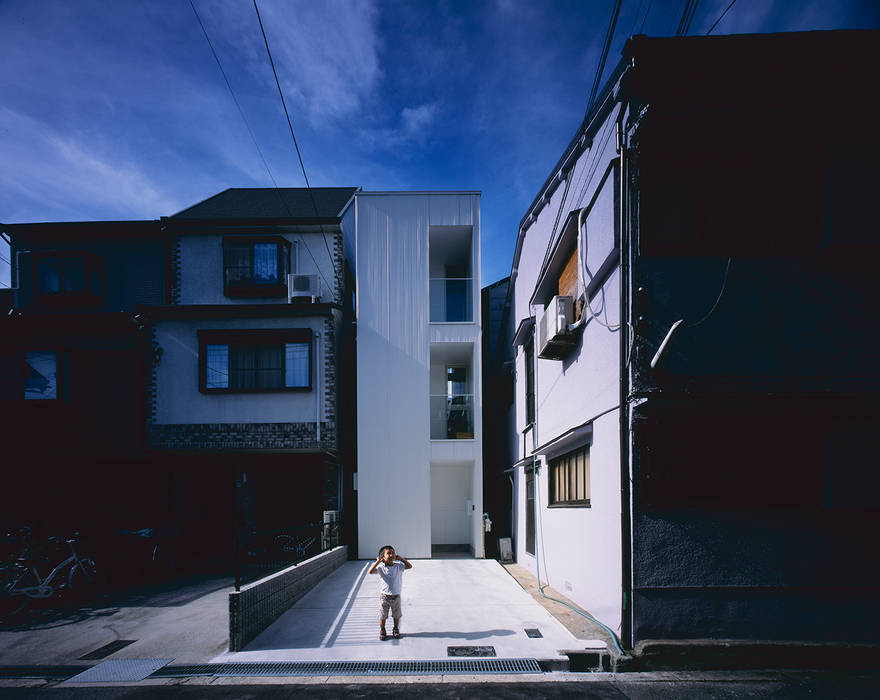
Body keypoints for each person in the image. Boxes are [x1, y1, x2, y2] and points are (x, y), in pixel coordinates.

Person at [367, 544, 412, 640]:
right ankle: (382, 630)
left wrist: (401, 559)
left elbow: (409, 566)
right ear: (383, 557)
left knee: (396, 615)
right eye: (388, 553)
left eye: (393, 553)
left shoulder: (398, 566)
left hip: (396, 596)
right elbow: (370, 571)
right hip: (384, 596)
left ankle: (396, 629)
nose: (391, 555)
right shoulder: (381, 568)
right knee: (383, 615)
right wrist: (377, 562)